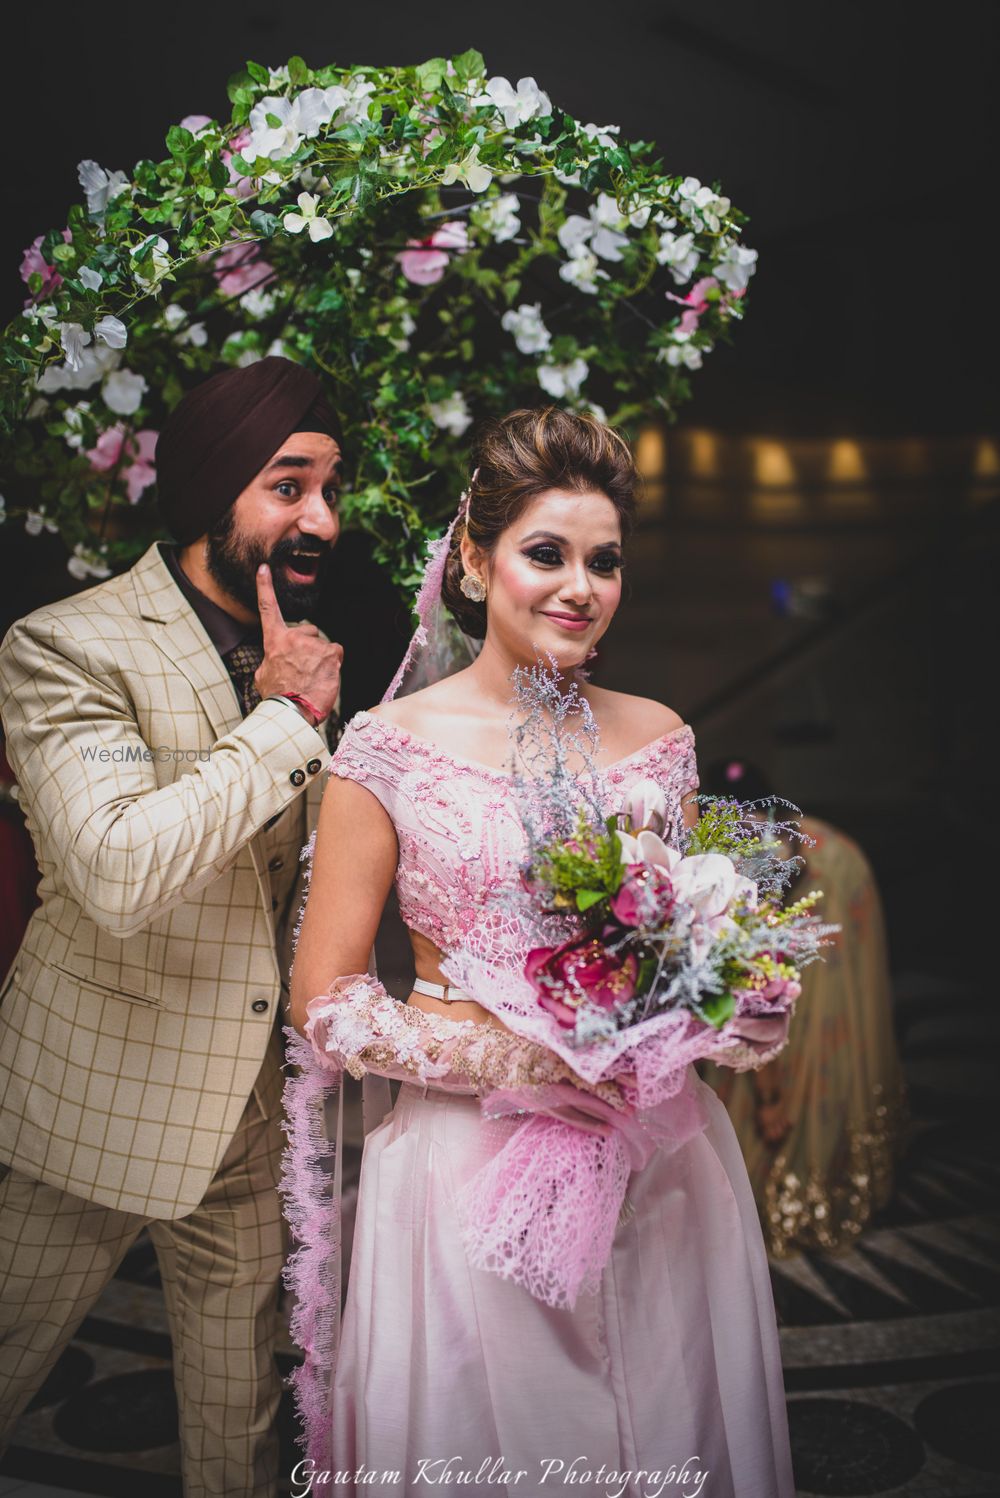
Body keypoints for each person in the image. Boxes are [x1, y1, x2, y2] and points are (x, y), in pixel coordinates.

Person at [289, 408, 795, 1496]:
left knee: (669, 1433)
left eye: (603, 561)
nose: (579, 586)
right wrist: (530, 1060)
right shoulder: (385, 750)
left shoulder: (661, 738)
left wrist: (733, 1003)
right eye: (546, 554)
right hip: (461, 1178)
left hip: (662, 1167)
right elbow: (324, 1002)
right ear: (473, 561)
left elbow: (677, 936)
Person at [0, 355, 345, 1497]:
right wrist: (285, 721)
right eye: (289, 485)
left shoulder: (299, 632)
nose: (321, 519)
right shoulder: (67, 646)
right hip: (91, 1102)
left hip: (247, 1114)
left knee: (237, 1421)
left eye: (329, 488)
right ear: (212, 483)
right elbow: (115, 867)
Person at [699, 759, 908, 1256]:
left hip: (812, 963)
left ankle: (802, 1189)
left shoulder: (803, 859)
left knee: (804, 1046)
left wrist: (770, 1098)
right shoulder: (764, 851)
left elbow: (752, 981)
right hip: (784, 958)